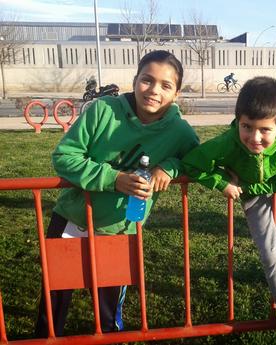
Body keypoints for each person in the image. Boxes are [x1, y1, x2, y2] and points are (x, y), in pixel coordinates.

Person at [35, 50, 199, 337]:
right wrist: (113, 179)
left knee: (109, 309)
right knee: (53, 301)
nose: (154, 90)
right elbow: (64, 157)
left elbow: (195, 161)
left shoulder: (180, 132)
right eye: (147, 80)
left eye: (165, 85)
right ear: (135, 80)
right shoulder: (102, 110)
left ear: (177, 93)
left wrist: (170, 167)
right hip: (71, 220)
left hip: (120, 230)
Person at [182, 76, 276, 345]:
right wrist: (221, 182)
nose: (254, 137)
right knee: (271, 254)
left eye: (264, 130)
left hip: (262, 190)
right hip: (253, 200)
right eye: (246, 127)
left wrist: (249, 186)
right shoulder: (228, 141)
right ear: (237, 120)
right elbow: (192, 164)